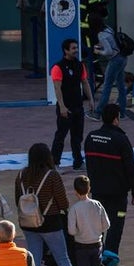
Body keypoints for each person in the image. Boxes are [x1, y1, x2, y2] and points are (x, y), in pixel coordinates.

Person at [15, 144, 79, 266]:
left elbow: (18, 200)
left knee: (34, 262)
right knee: (63, 259)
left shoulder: (21, 175)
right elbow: (63, 202)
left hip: (29, 224)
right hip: (51, 223)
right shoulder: (52, 176)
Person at [84, 103, 134, 266]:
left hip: (97, 191)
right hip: (118, 192)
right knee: (115, 225)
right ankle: (110, 262)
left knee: (97, 226)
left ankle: (95, 260)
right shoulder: (121, 139)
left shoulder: (91, 137)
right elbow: (130, 167)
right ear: (116, 119)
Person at [66, 175, 110, 266]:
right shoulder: (97, 204)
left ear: (75, 191)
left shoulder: (74, 209)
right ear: (89, 188)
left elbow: (71, 231)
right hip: (96, 243)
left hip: (82, 245)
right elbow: (106, 225)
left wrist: (80, 231)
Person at [51, 38, 95, 170]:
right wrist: (62, 106)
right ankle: (54, 163)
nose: (76, 50)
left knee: (77, 137)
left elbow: (85, 82)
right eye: (73, 48)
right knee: (61, 136)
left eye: (76, 48)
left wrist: (91, 99)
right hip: (66, 108)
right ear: (66, 50)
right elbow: (57, 88)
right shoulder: (58, 67)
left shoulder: (80, 65)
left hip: (78, 106)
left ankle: (78, 162)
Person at [91, 20, 127, 119]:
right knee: (121, 87)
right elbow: (112, 43)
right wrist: (101, 46)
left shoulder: (101, 35)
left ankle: (98, 113)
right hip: (123, 57)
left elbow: (109, 51)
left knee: (107, 86)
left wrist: (98, 51)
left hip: (114, 60)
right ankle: (123, 113)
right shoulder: (108, 29)